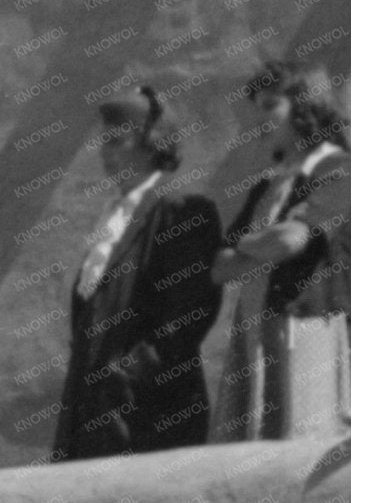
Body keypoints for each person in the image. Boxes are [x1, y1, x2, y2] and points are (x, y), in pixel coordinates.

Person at [53, 87, 224, 460]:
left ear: (152, 143)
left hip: (147, 413)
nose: (105, 151)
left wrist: (124, 376)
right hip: (91, 413)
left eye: (117, 141)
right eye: (104, 141)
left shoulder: (183, 213)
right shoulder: (112, 215)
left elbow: (188, 316)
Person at [215, 61, 349, 442]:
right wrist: (261, 242)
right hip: (256, 324)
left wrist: (246, 242)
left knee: (300, 437)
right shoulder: (269, 186)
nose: (260, 119)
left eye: (271, 106)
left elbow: (291, 241)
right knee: (251, 443)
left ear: (304, 107)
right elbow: (220, 268)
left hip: (304, 323)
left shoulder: (339, 169)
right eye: (256, 107)